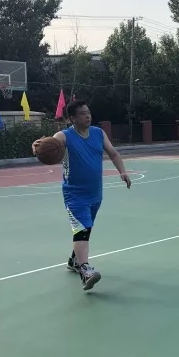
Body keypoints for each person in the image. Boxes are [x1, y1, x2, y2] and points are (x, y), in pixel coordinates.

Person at [32, 100, 132, 290]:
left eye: (88, 112)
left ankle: (74, 260)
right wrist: (37, 148)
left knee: (86, 229)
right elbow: (46, 146)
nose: (88, 116)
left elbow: (113, 153)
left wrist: (122, 171)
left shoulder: (98, 133)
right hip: (74, 194)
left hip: (95, 193)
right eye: (83, 113)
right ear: (72, 118)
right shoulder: (64, 136)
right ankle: (85, 271)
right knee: (82, 229)